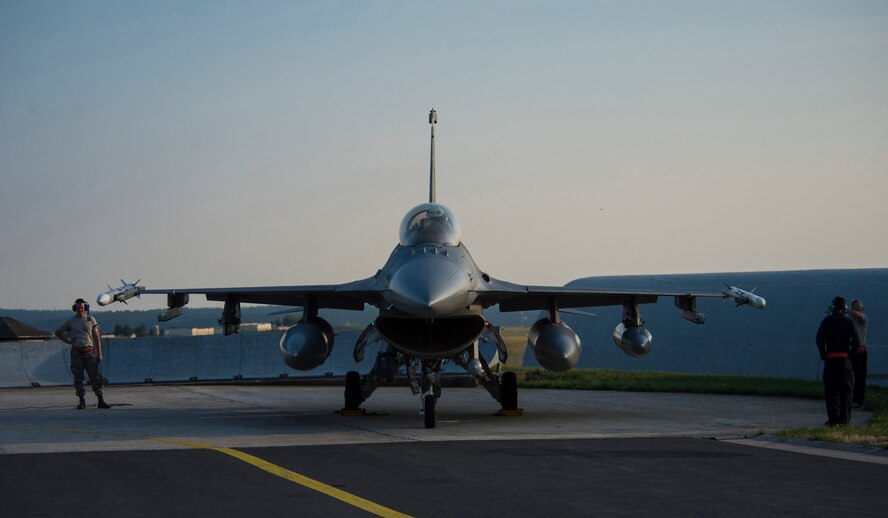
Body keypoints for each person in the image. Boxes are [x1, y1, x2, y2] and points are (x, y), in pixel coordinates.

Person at [55, 298, 110, 409]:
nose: (80, 309)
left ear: (85, 308)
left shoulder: (91, 320)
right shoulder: (71, 321)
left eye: (82, 307)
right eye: (78, 307)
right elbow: (58, 332)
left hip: (89, 352)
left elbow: (96, 337)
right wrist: (68, 341)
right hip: (77, 353)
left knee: (95, 377)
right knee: (78, 378)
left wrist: (100, 353)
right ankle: (81, 400)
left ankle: (100, 400)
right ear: (75, 308)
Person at [815, 296, 858, 426]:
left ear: (832, 308)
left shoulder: (826, 321)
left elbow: (819, 340)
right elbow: (856, 342)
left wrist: (824, 354)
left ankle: (833, 421)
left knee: (831, 392)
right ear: (845, 308)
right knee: (846, 392)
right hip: (844, 360)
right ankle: (844, 421)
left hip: (831, 360)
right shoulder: (848, 321)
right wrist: (850, 356)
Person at [846, 299, 868, 408]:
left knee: (860, 378)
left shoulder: (863, 318)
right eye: (855, 307)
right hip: (850, 352)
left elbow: (856, 315)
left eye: (859, 308)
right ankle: (848, 398)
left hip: (860, 351)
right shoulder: (847, 319)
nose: (857, 310)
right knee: (848, 377)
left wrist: (845, 310)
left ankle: (858, 400)